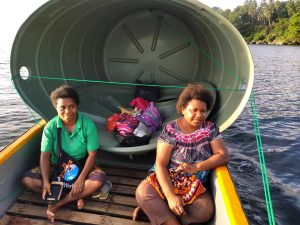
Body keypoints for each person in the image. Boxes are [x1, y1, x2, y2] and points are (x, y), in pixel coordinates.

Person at [134, 84, 229, 225]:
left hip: (193, 184)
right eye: (194, 110)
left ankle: (157, 211)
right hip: (168, 179)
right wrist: (171, 196)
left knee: (205, 211)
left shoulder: (210, 129)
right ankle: (167, 216)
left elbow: (223, 155)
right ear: (183, 109)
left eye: (203, 111)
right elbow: (160, 164)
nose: (199, 115)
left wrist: (196, 167)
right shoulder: (171, 130)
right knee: (143, 192)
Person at [22, 85, 107, 222]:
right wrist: (45, 181)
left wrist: (80, 180)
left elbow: (92, 155)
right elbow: (44, 155)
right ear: (56, 107)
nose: (68, 111)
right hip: (57, 167)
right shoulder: (50, 127)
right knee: (28, 180)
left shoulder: (88, 125)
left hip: (82, 166)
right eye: (62, 107)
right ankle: (76, 196)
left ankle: (58, 202)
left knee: (98, 180)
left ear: (77, 106)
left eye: (71, 106)